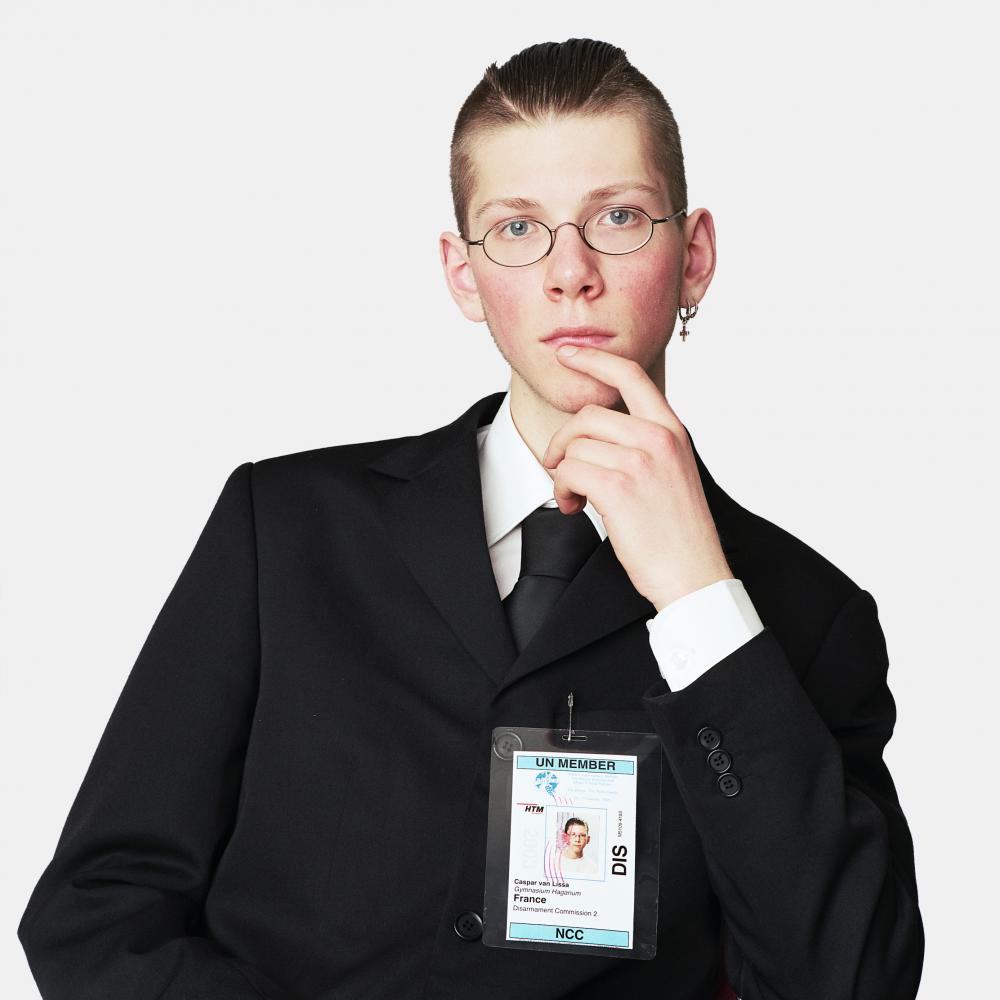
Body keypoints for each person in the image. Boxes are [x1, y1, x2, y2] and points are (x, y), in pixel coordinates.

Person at [17, 37, 924, 1000]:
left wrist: (703, 604)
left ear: (693, 256)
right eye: (519, 228)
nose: (571, 271)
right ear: (462, 273)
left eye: (616, 217)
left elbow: (849, 982)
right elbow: (96, 909)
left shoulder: (807, 616)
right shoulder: (284, 532)